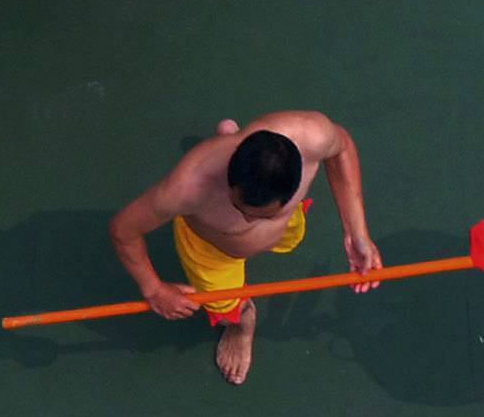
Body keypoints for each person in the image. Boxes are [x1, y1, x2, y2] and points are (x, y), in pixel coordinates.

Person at [107, 112, 383, 386]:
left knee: (285, 235)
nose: (249, 220)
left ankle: (232, 138)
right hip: (214, 250)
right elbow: (123, 230)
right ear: (230, 179)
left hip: (283, 227)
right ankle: (241, 324)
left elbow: (342, 147)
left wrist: (356, 231)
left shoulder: (313, 134)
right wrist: (154, 289)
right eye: (239, 208)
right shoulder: (186, 188)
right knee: (223, 303)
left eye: (263, 214)